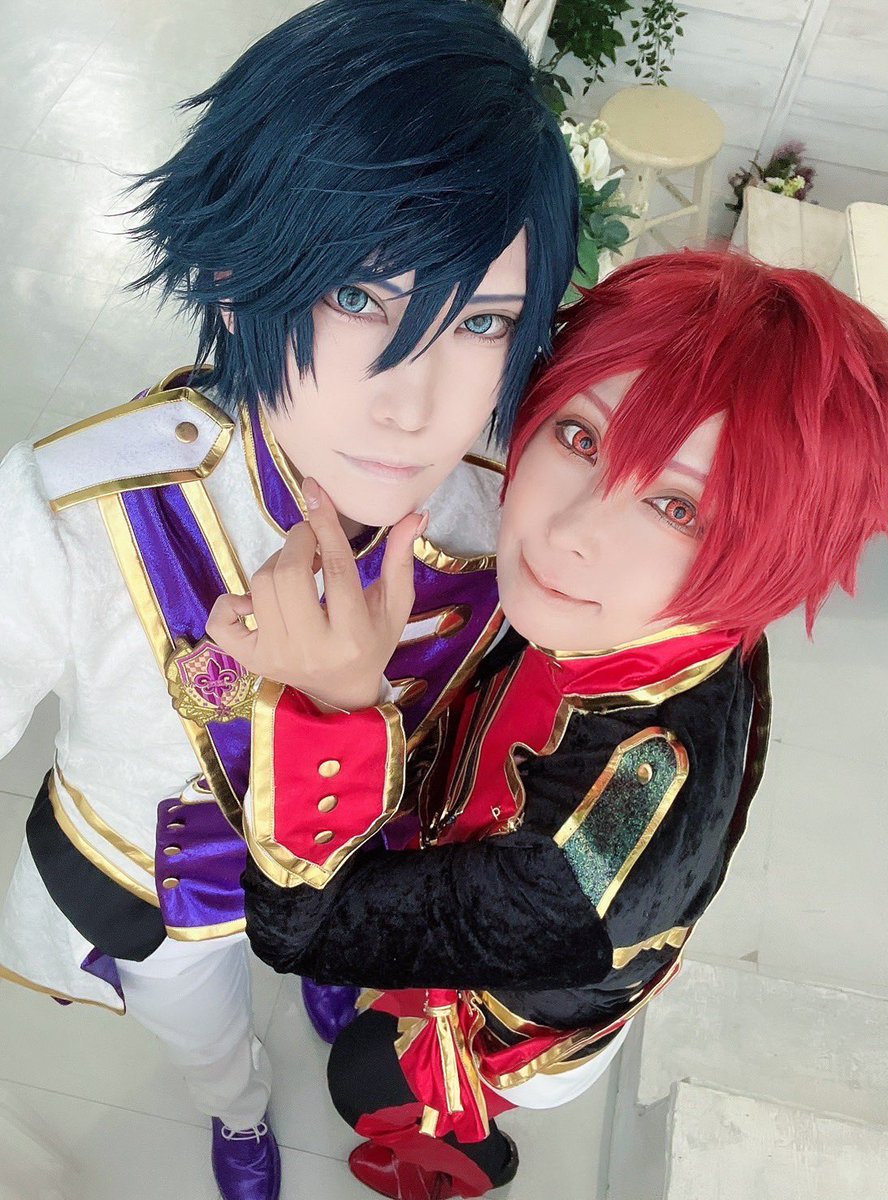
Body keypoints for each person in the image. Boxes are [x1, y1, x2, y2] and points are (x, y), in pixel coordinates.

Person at [0, 3, 578, 1198]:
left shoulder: (499, 511)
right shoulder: (70, 515)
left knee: (343, 950)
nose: (412, 405)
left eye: (480, 321)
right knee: (207, 1040)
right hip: (169, 886)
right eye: (360, 298)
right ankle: (242, 1114)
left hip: (373, 864)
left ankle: (326, 967)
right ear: (230, 277)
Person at [211, 250, 888, 1199]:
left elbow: (297, 930)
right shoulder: (673, 623)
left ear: (774, 551)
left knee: (365, 1080)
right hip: (489, 902)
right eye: (580, 436)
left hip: (517, 1013)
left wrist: (332, 704)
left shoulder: (604, 850)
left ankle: (467, 1162)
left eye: (677, 506)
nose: (573, 529)